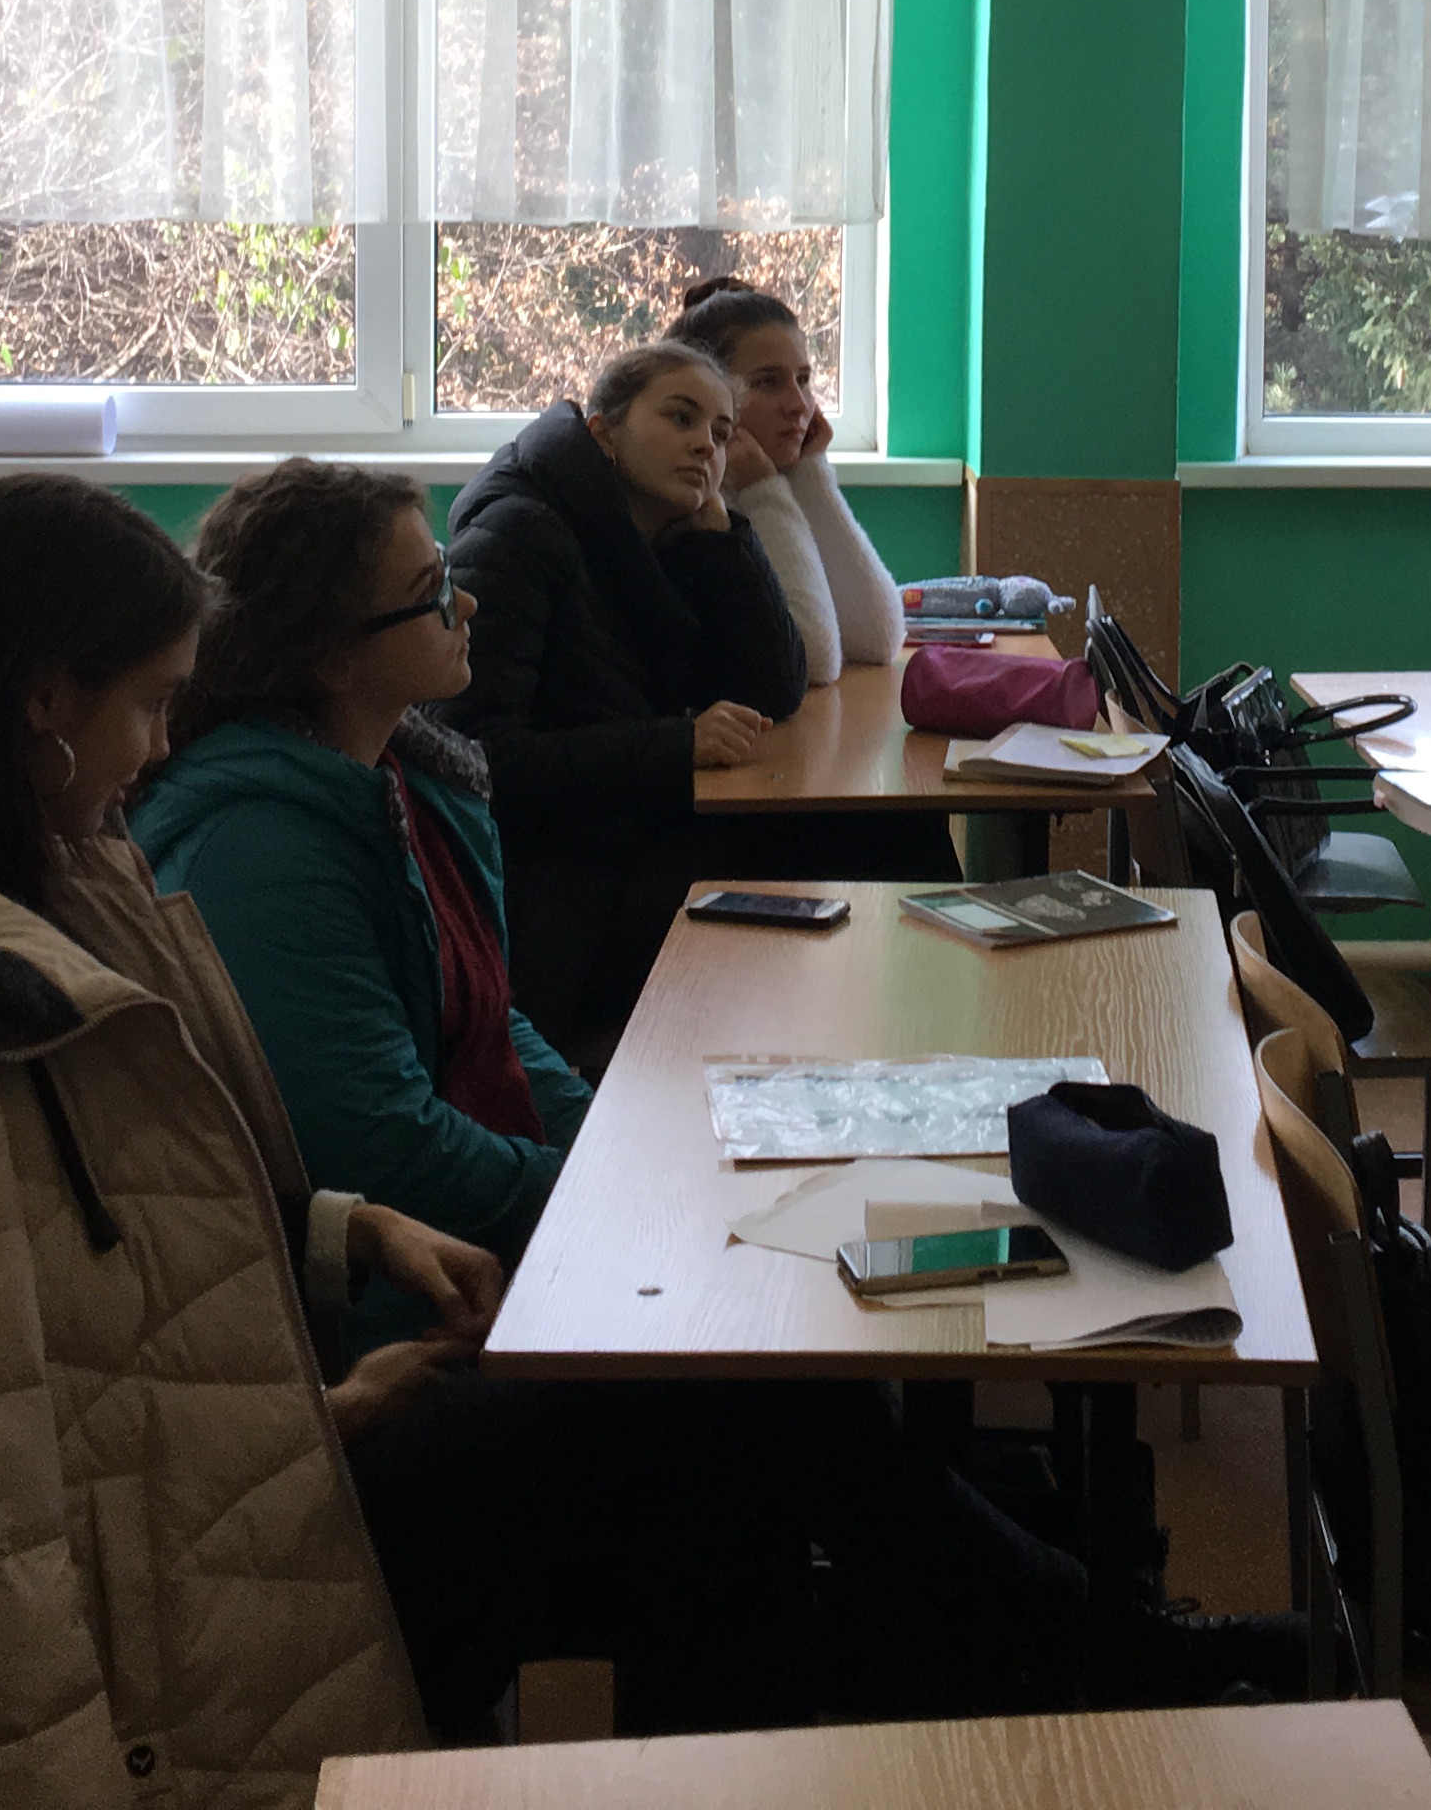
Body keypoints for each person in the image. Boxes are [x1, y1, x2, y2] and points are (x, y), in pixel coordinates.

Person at [0, 477, 1232, 1784]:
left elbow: (133, 1217)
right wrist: (392, 1348)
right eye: (146, 706)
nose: (160, 747)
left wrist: (344, 1239)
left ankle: (1047, 1664)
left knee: (738, 1443)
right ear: (45, 704)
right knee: (735, 1424)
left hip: (274, 1424)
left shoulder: (74, 873)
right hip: (231, 1532)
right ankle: (1084, 1663)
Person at [137, 462, 593, 1324]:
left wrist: (605, 1137)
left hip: (468, 1229)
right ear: (333, 657)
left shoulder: (406, 776)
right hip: (391, 1300)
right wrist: (585, 1190)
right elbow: (379, 1146)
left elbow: (483, 1023)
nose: (467, 605)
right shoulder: (258, 848)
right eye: (432, 594)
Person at [445, 343, 945, 1065]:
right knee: (869, 849)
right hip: (555, 893)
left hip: (628, 837)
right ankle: (901, 1056)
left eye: (720, 432)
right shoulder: (517, 535)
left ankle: (920, 1047)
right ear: (602, 432)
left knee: (894, 829)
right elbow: (472, 758)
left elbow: (775, 685)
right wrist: (676, 745)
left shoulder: (658, 529)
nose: (705, 446)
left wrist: (721, 539)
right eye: (680, 419)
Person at [667, 278, 901, 685]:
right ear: (709, 392)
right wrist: (764, 491)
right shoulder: (696, 506)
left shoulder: (773, 477)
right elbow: (811, 659)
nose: (799, 404)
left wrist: (811, 472)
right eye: (768, 382)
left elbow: (877, 639)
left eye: (804, 379)